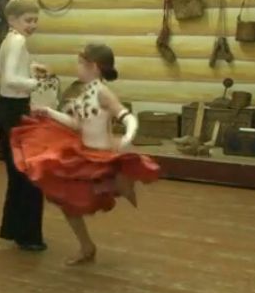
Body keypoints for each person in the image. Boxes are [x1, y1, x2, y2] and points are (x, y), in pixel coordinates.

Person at [10, 43, 160, 265]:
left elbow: (128, 117)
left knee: (78, 198)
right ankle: (87, 246)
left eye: (81, 63)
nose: (77, 67)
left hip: (100, 156)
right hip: (85, 153)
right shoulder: (85, 91)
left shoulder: (103, 92)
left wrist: (126, 139)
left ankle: (116, 180)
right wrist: (48, 112)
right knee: (68, 203)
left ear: (94, 67)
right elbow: (77, 124)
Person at [0, 0, 49, 252]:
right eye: (28, 20)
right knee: (30, 176)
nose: (33, 25)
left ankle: (17, 230)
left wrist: (32, 68)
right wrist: (37, 83)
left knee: (19, 175)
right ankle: (27, 235)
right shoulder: (18, 41)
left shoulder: (11, 39)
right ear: (12, 20)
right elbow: (9, 78)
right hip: (14, 111)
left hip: (10, 110)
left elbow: (14, 70)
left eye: (35, 20)